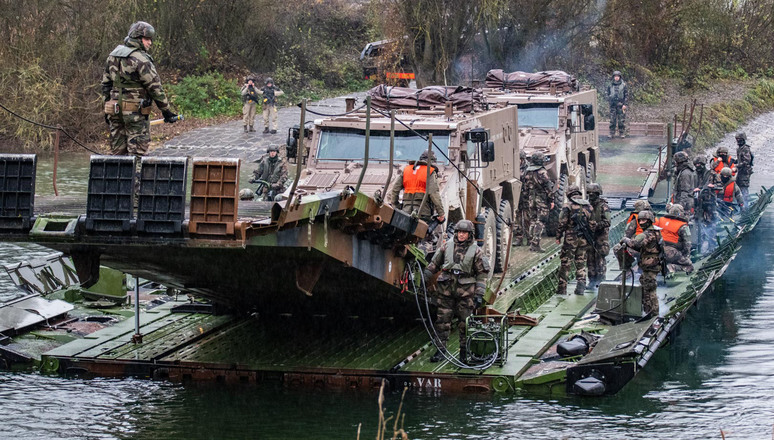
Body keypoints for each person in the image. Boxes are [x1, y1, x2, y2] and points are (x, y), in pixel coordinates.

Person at [101, 21, 178, 157]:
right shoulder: (142, 59)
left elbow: (106, 85)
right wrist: (166, 111)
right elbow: (155, 88)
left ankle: (118, 178)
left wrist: (106, 110)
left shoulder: (113, 55)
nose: (150, 43)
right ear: (138, 38)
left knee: (118, 154)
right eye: (147, 39)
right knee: (137, 155)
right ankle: (135, 179)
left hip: (113, 111)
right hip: (135, 114)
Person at [424, 220, 490, 363]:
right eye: (459, 232)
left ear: (470, 234)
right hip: (446, 290)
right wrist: (425, 277)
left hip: (465, 293)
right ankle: (440, 350)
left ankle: (465, 352)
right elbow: (434, 264)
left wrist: (479, 294)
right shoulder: (446, 247)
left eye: (464, 233)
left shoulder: (477, 252)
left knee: (465, 323)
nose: (461, 235)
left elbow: (482, 275)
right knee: (442, 321)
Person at [619, 210, 662, 318]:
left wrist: (625, 239)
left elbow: (634, 243)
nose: (642, 222)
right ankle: (648, 311)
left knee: (650, 289)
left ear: (649, 221)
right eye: (640, 220)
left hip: (650, 264)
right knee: (646, 285)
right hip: (653, 263)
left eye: (644, 220)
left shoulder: (647, 234)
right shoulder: (656, 231)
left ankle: (654, 313)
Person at [556, 184, 593, 295]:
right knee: (581, 263)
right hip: (584, 239)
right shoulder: (588, 206)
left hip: (570, 239)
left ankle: (562, 289)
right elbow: (592, 224)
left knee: (566, 263)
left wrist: (558, 236)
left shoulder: (567, 206)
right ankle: (580, 288)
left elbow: (562, 223)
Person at [522, 152, 555, 252]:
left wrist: (527, 199)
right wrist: (551, 200)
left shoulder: (527, 172)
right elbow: (548, 188)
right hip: (541, 200)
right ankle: (535, 244)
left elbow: (525, 188)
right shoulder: (542, 172)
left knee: (533, 220)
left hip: (531, 199)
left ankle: (531, 242)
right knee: (541, 221)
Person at [655, 204, 694, 274]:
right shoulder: (683, 226)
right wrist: (685, 256)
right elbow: (687, 244)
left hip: (657, 250)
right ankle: (671, 267)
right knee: (690, 266)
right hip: (671, 253)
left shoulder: (661, 220)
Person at [586, 183, 611, 284]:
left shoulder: (603, 206)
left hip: (601, 238)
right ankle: (592, 282)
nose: (591, 195)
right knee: (590, 260)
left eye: (594, 193)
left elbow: (608, 222)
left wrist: (596, 225)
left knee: (600, 260)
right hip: (590, 237)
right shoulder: (587, 206)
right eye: (589, 193)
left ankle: (600, 282)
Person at [606, 70, 628, 138]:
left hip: (620, 104)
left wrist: (625, 104)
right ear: (613, 77)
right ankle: (611, 133)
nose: (616, 78)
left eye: (618, 76)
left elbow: (626, 95)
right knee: (612, 120)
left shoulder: (623, 85)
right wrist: (609, 99)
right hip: (613, 104)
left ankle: (621, 133)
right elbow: (607, 93)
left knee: (621, 120)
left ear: (620, 77)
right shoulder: (610, 84)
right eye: (615, 76)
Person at [514, 150, 529, 246]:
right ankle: (519, 238)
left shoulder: (529, 168)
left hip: (527, 196)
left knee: (528, 218)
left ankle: (529, 238)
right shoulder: (514, 167)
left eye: (519, 159)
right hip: (518, 196)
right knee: (518, 218)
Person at [734, 132, 754, 205]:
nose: (738, 140)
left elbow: (746, 161)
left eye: (739, 139)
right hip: (739, 172)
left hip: (744, 173)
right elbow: (740, 159)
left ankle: (745, 207)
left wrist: (737, 165)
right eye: (737, 139)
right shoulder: (739, 149)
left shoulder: (745, 149)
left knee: (744, 189)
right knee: (737, 188)